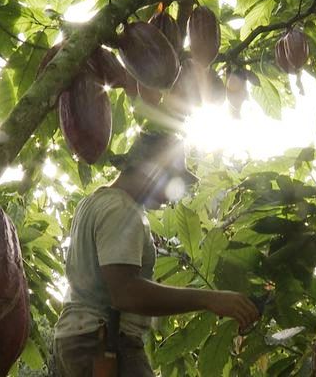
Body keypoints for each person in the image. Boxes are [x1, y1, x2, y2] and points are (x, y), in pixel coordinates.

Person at [53, 131, 260, 376]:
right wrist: (210, 299)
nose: (171, 195)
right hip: (103, 344)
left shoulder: (93, 202)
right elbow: (125, 293)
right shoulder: (121, 209)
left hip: (74, 340)